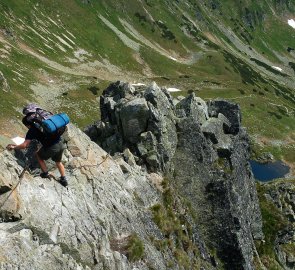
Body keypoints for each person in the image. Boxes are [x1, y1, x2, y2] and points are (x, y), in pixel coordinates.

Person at [6, 115, 68, 187]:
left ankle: (45, 173)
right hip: (61, 143)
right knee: (58, 162)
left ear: (27, 125)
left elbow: (24, 145)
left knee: (38, 155)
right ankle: (63, 179)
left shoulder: (31, 131)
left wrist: (14, 147)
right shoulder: (42, 124)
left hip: (52, 147)